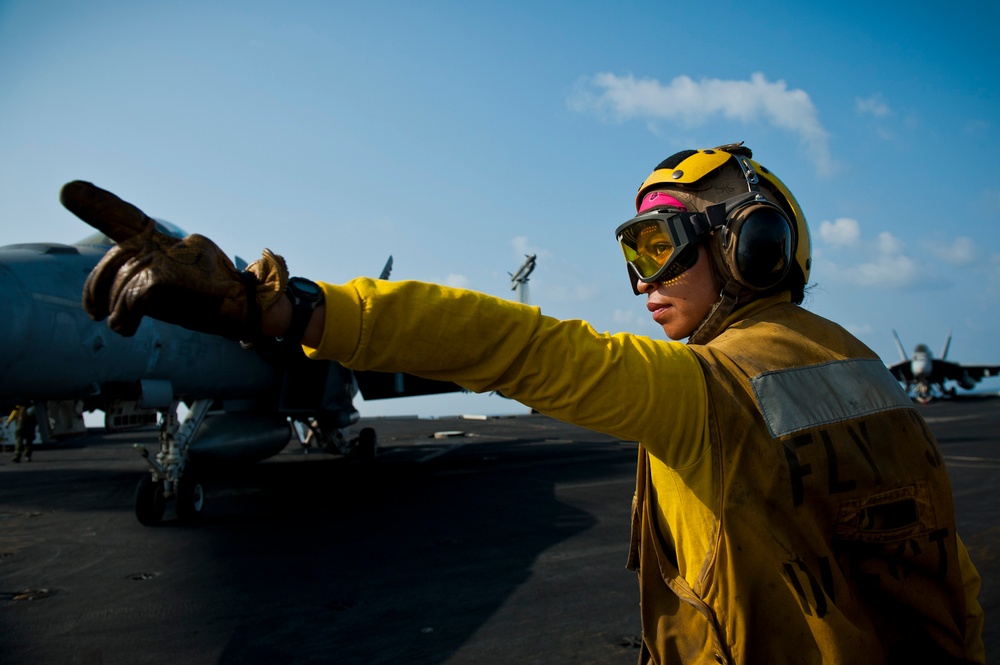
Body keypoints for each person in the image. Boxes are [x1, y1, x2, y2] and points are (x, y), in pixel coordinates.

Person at [61, 142, 985, 664]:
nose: (644, 283)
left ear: (753, 247)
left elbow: (511, 347)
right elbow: (955, 587)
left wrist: (289, 306)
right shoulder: (876, 379)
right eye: (632, 255)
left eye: (661, 245)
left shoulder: (706, 389)